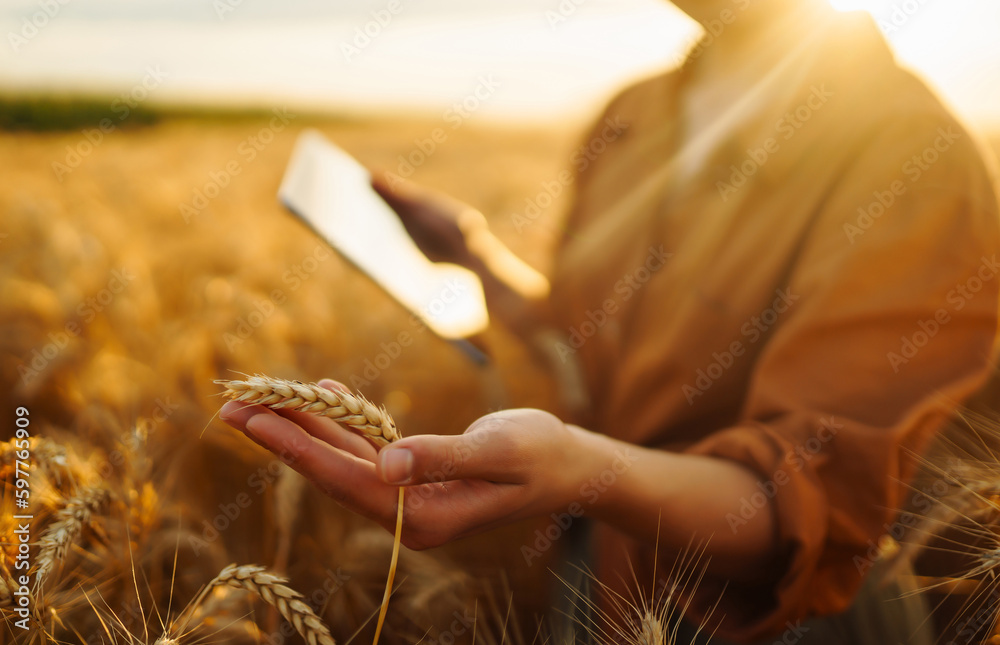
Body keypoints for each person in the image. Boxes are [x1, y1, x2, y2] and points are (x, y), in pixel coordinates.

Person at [221, 0, 1000, 641]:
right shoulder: (631, 114)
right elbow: (589, 343)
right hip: (603, 584)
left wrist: (579, 469)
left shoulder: (912, 158)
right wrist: (476, 256)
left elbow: (801, 506)